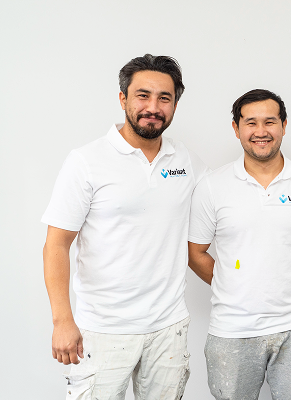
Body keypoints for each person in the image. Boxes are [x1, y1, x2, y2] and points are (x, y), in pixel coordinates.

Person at [42, 54, 209, 399]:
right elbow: (56, 244)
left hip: (168, 327)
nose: (153, 107)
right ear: (123, 99)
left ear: (175, 105)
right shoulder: (86, 161)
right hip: (102, 330)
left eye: (164, 98)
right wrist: (62, 320)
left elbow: (223, 209)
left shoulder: (186, 161)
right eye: (142, 96)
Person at [188, 89, 291, 400]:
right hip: (232, 330)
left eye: (270, 122)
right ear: (236, 128)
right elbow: (195, 252)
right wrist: (233, 282)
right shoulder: (212, 187)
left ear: (283, 125)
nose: (261, 131)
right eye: (250, 123)